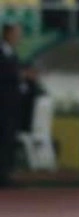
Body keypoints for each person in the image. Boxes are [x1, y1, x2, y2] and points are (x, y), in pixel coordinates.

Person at [0, 23, 22, 187]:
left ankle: (6, 173)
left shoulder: (13, 53)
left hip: (11, 105)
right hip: (2, 104)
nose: (19, 37)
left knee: (8, 139)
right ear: (7, 34)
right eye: (16, 34)